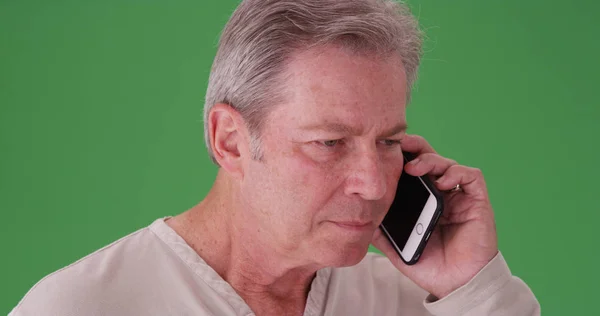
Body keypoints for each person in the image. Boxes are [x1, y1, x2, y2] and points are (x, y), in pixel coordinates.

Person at [10, 0, 540, 315]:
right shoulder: (80, 307)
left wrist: (476, 290)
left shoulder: (413, 302)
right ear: (231, 141)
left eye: (386, 142)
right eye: (329, 143)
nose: (375, 185)